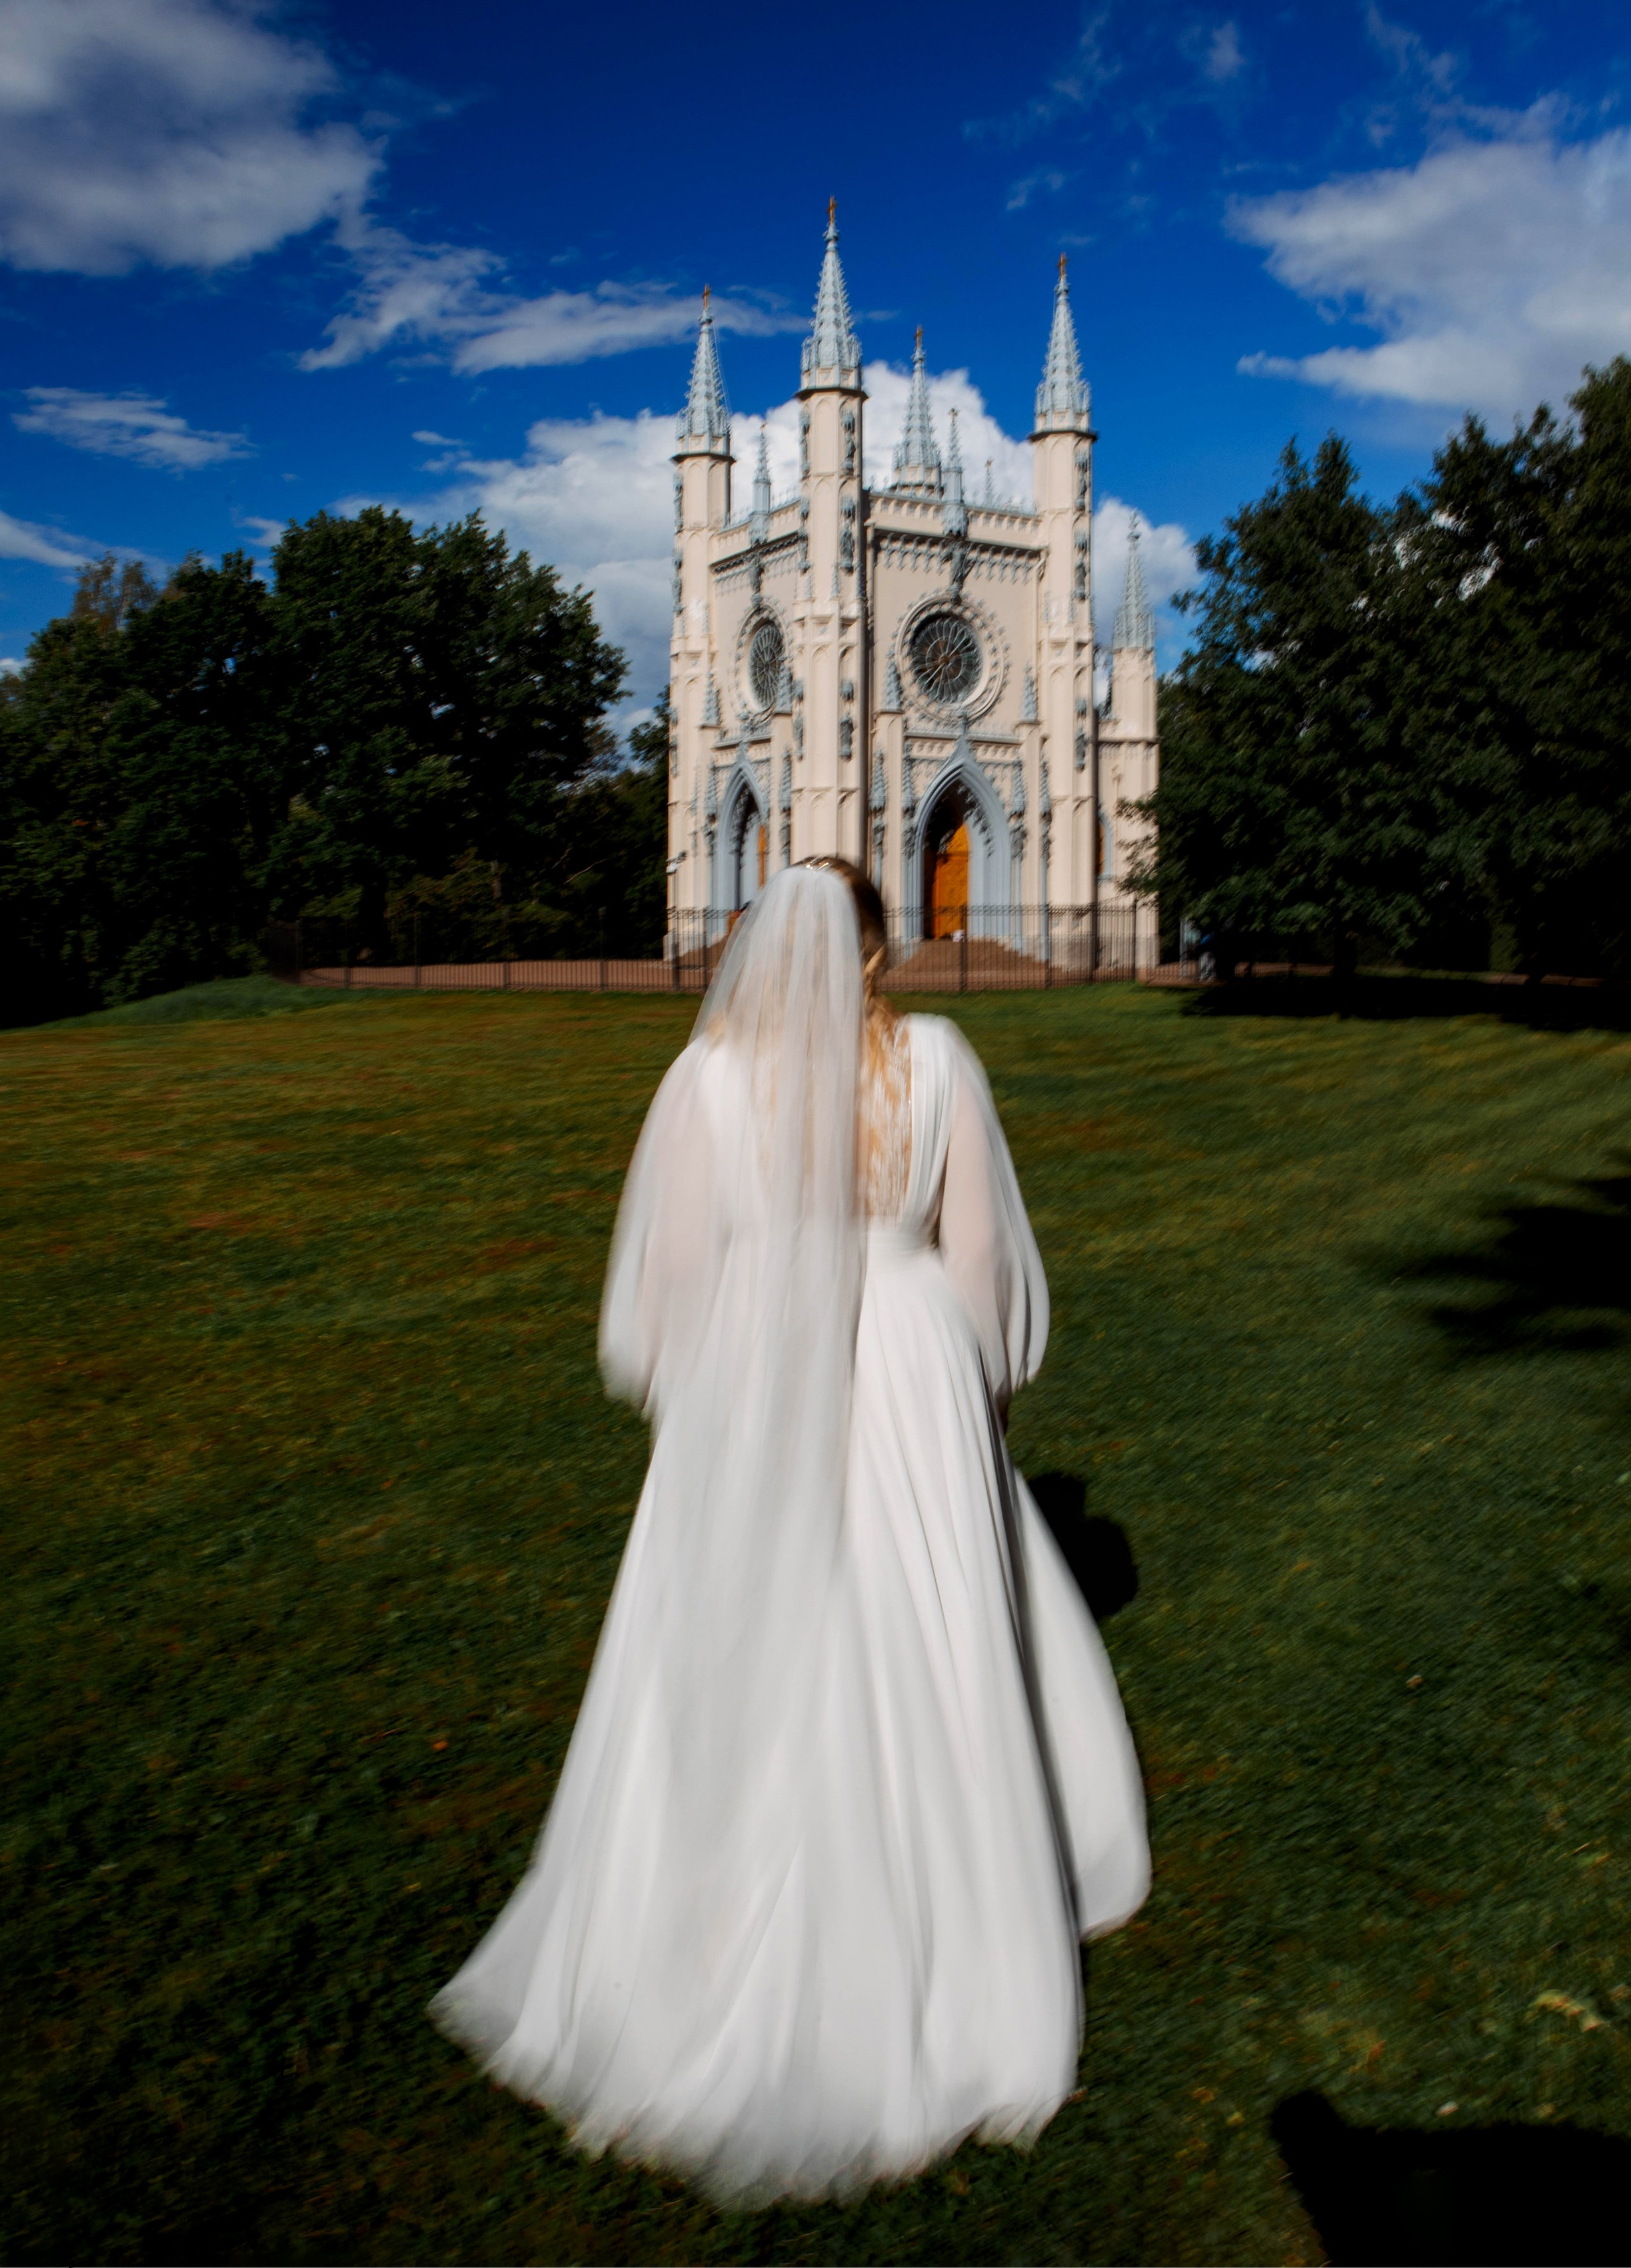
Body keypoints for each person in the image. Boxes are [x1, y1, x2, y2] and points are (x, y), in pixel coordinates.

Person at [431, 860, 1149, 2205]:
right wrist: (980, 1375)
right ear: (879, 956)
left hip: (756, 1377)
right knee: (921, 1621)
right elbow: (981, 1251)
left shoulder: (706, 1081)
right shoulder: (937, 1059)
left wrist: (690, 1411)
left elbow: (672, 1282)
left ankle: (720, 1928)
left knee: (751, 1629)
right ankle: (951, 1908)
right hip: (914, 1357)